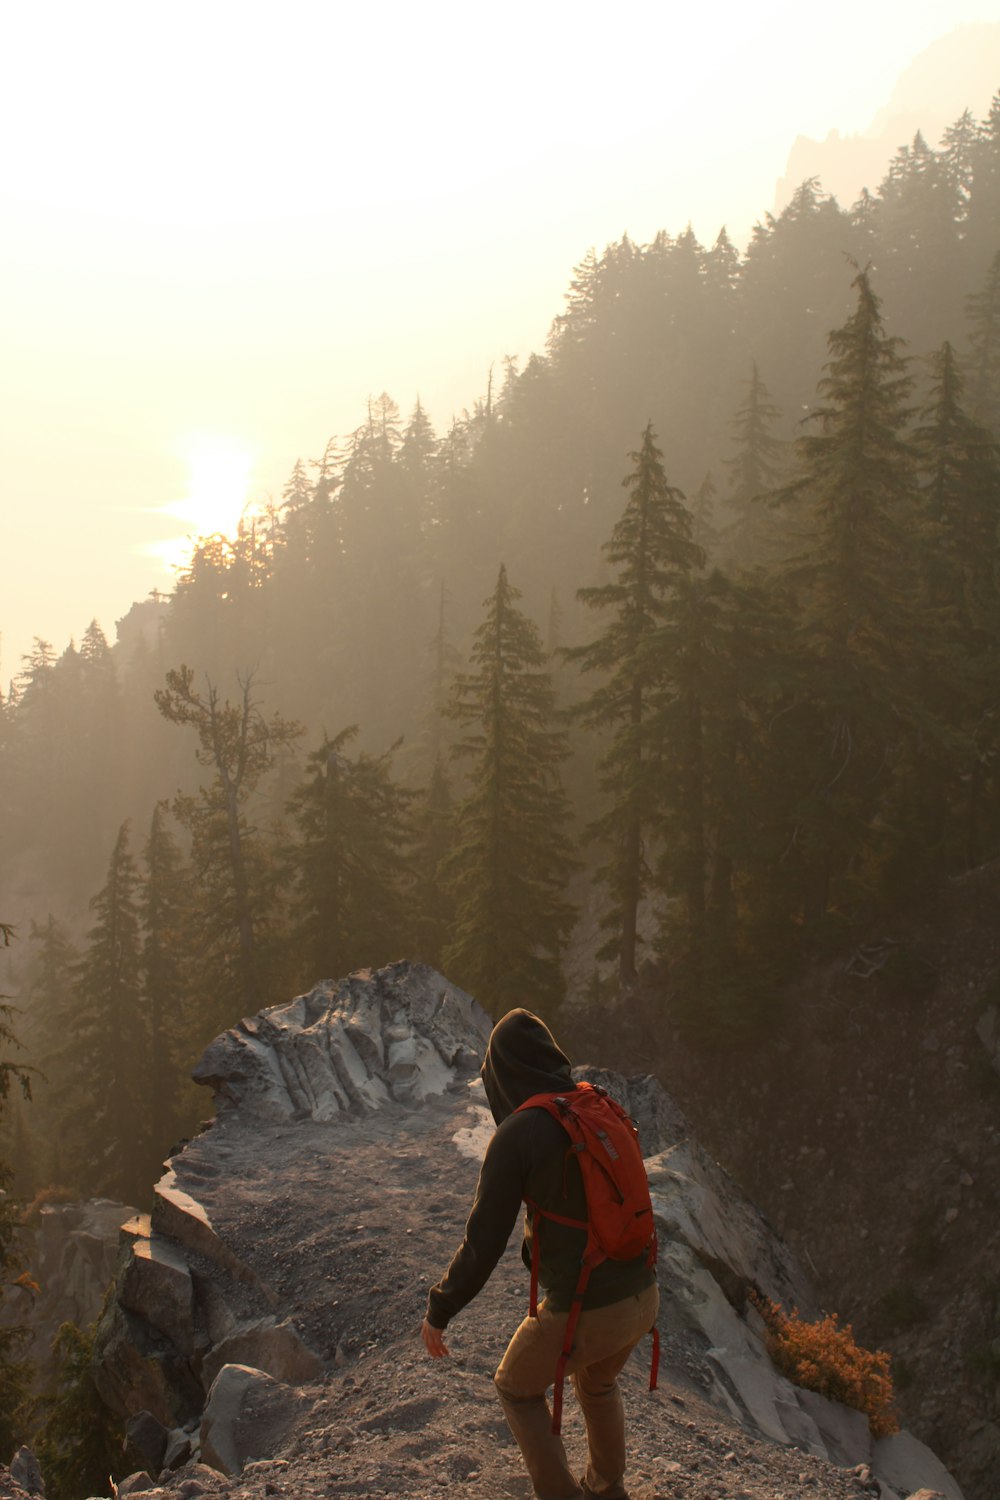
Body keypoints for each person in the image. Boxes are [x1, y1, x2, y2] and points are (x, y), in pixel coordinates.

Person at [420, 1007, 658, 1500]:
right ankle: (607, 1488)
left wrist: (440, 1309)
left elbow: (483, 1243)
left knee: (515, 1386)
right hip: (644, 1296)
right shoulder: (593, 1106)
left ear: (502, 1073)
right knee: (596, 1384)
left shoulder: (520, 1132)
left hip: (586, 1308)